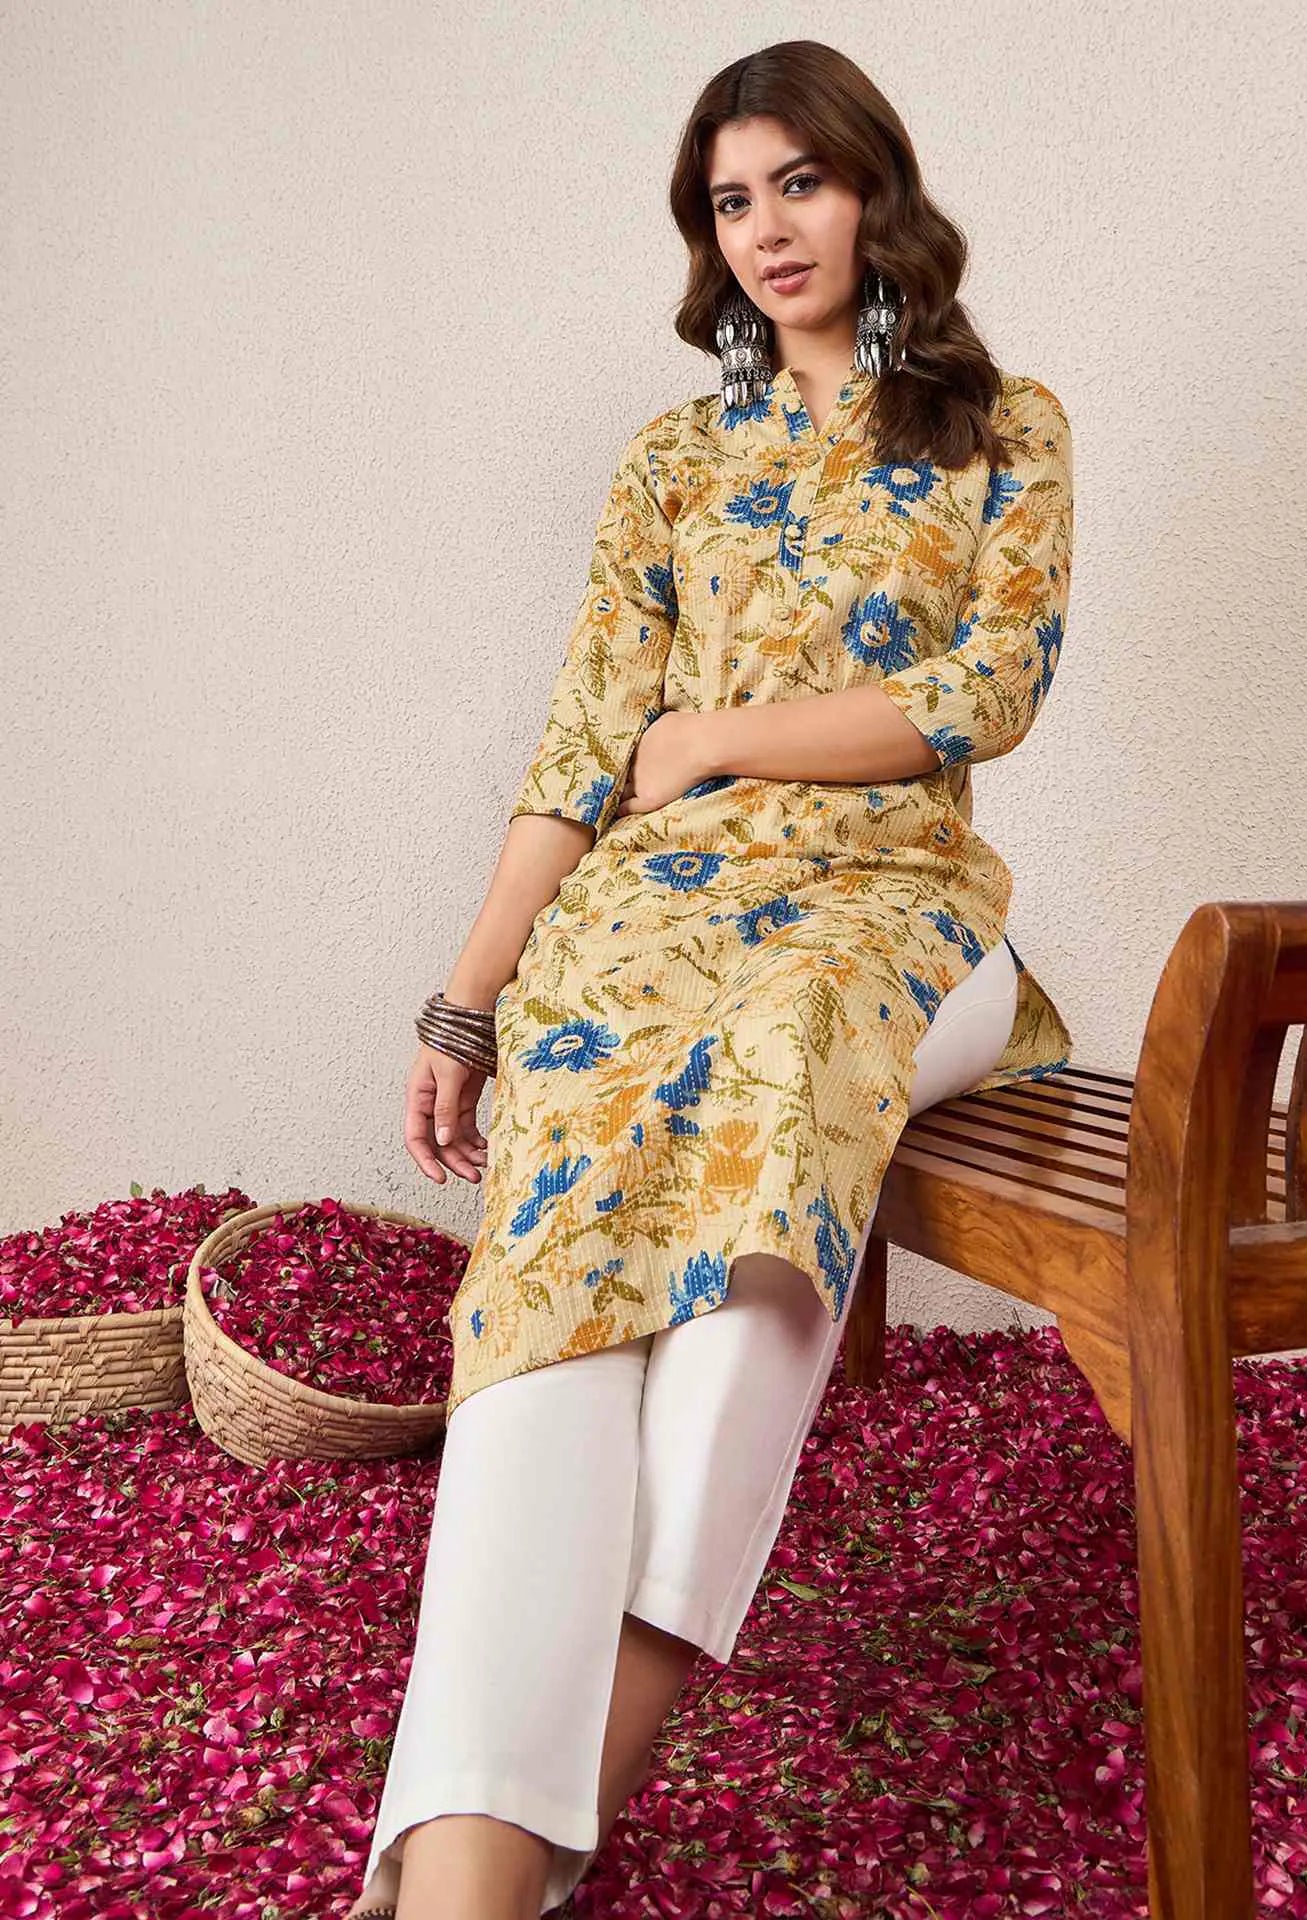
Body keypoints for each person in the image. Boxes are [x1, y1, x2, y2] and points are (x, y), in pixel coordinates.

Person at [349, 37, 1075, 1920]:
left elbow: (981, 693)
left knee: (778, 1083)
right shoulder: (672, 463)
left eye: (798, 182)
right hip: (648, 925)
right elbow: (579, 747)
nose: (766, 228)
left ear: (873, 186)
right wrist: (467, 998)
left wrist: (721, 736)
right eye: (729, 200)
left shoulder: (1000, 428)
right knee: (552, 1287)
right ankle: (470, 1864)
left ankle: (557, 1793)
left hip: (894, 917)